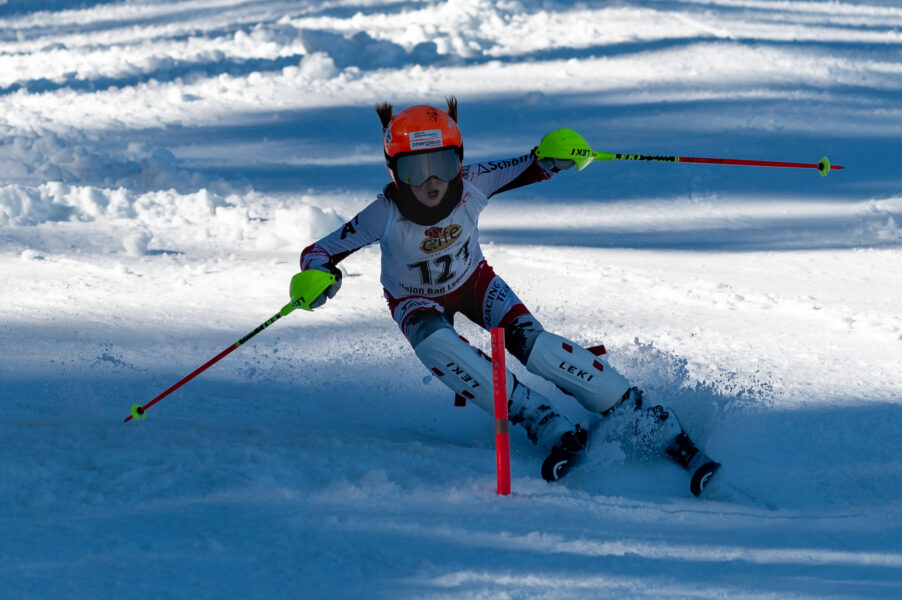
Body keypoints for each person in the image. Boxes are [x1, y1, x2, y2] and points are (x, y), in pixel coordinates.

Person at [299, 97, 720, 496]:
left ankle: (646, 418)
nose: (431, 181)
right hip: (415, 301)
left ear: (459, 161)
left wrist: (559, 154)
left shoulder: (473, 183)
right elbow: (319, 251)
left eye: (443, 165)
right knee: (439, 347)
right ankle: (543, 420)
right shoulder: (383, 214)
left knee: (538, 349)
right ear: (394, 171)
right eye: (415, 170)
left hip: (476, 283)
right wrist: (319, 277)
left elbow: (533, 163)